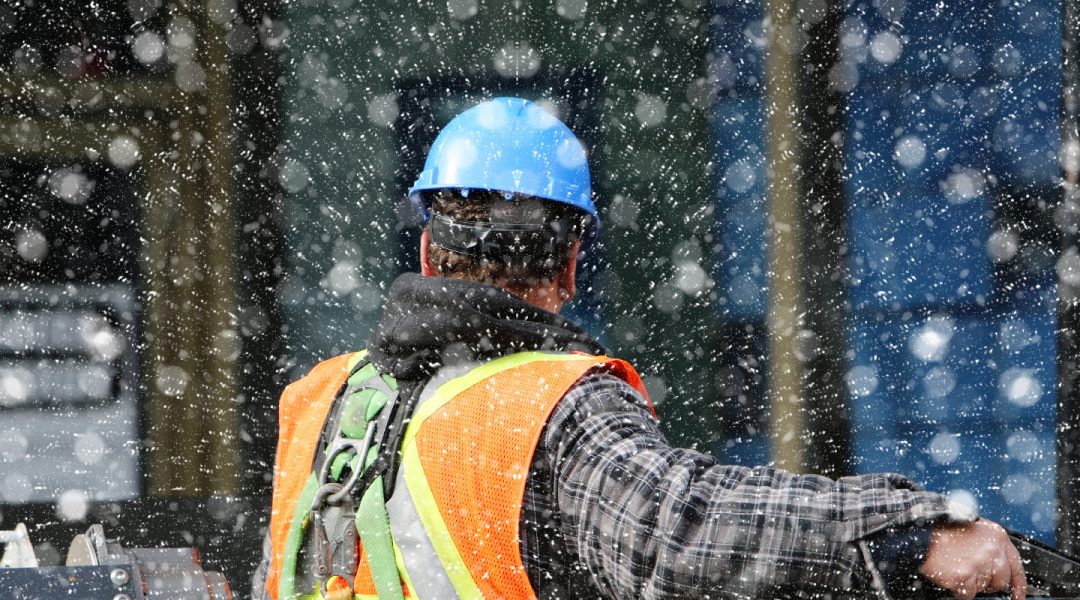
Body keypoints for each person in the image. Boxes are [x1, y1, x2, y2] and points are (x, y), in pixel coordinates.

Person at [253, 97, 1026, 600]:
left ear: (427, 250)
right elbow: (681, 533)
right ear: (569, 264)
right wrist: (907, 533)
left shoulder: (319, 399)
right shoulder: (550, 410)